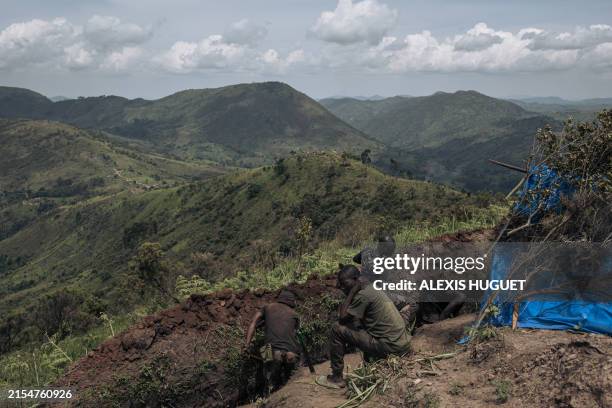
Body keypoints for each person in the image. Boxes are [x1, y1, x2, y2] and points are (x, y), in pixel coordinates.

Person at [327, 265, 411, 386]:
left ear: (356, 279)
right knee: (359, 325)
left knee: (336, 329)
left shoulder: (363, 295)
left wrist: (351, 292)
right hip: (402, 344)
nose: (341, 286)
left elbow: (342, 319)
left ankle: (337, 377)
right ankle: (369, 364)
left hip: (391, 346)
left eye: (344, 282)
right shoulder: (372, 288)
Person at [245, 289, 300, 391]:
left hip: (271, 351)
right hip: (291, 353)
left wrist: (247, 345)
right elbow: (294, 332)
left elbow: (253, 323)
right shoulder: (294, 314)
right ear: (291, 301)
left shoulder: (267, 307)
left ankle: (269, 390)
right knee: (290, 384)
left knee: (270, 384)